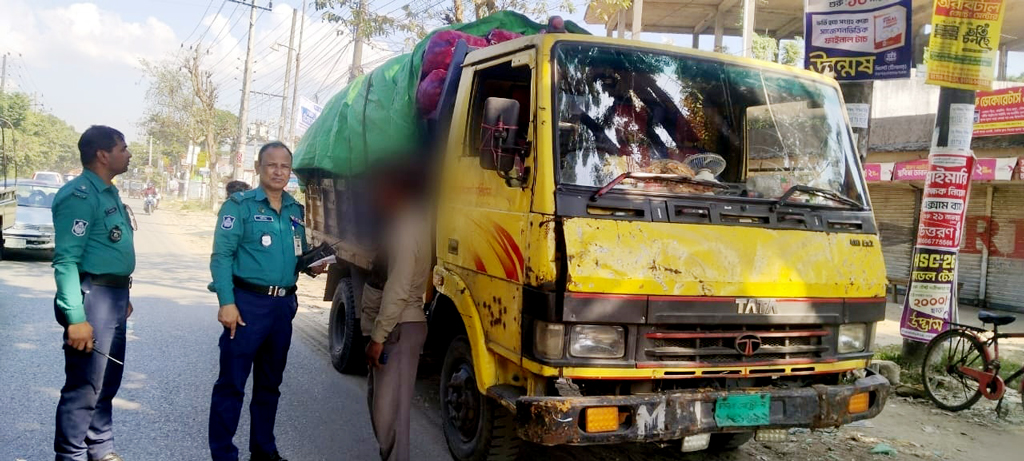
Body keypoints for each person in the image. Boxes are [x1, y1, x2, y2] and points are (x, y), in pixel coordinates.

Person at [208, 142, 323, 461]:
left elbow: (296, 257)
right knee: (231, 385)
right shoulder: (239, 206)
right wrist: (226, 302)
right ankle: (223, 455)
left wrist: (311, 265)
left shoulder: (295, 211)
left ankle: (263, 450)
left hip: (281, 309)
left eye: (285, 166)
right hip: (246, 305)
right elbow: (221, 257)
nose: (278, 171)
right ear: (258, 168)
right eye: (271, 165)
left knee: (270, 385)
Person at [51, 125, 135, 461]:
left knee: (107, 379)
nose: (128, 154)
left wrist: (122, 293)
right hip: (92, 297)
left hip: (112, 296)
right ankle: (70, 454)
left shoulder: (107, 191)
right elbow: (66, 261)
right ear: (103, 154)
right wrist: (76, 318)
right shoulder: (80, 195)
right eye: (123, 148)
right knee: (84, 386)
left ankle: (100, 448)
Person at [362, 164, 431, 461]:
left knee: (390, 413)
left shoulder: (404, 227)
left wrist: (378, 336)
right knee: (385, 407)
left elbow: (399, 287)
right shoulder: (413, 220)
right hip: (401, 325)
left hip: (400, 326)